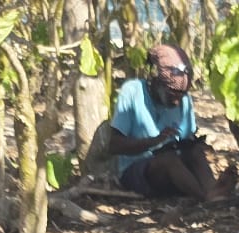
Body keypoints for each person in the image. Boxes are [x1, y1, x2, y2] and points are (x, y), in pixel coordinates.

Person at [84, 43, 229, 203]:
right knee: (168, 159)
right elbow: (114, 145)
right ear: (156, 80)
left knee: (195, 153)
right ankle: (206, 198)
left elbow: (188, 140)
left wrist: (196, 145)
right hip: (137, 171)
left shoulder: (184, 101)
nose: (177, 101)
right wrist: (154, 142)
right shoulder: (132, 91)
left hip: (176, 169)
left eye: (181, 95)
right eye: (172, 94)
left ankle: (214, 191)